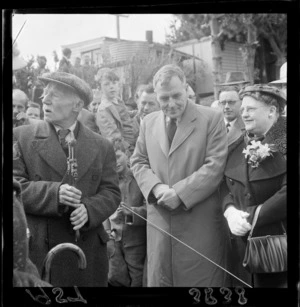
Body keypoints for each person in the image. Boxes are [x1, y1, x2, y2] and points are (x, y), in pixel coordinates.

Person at [13, 71, 121, 287]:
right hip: (41, 256)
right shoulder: (20, 136)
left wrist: (90, 210)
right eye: (45, 93)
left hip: (87, 255)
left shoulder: (102, 145)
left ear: (77, 105)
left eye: (55, 95)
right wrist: (54, 194)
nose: (45, 99)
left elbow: (112, 192)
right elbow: (15, 188)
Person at [130, 64, 230, 287]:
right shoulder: (148, 123)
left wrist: (180, 193)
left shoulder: (211, 119)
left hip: (199, 226)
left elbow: (214, 166)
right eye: (164, 98)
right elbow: (138, 161)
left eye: (176, 95)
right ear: (156, 96)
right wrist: (156, 188)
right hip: (160, 227)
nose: (171, 104)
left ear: (186, 88)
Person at [220, 84, 286, 288]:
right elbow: (224, 185)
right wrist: (230, 212)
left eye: (251, 109)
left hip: (278, 245)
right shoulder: (235, 146)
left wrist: (254, 215)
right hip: (242, 247)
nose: (244, 114)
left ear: (272, 111)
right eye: (243, 110)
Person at [104, 140, 146, 287]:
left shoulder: (140, 178)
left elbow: (152, 209)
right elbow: (101, 209)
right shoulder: (107, 182)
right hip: (113, 239)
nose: (115, 162)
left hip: (135, 240)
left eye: (118, 156)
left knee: (137, 276)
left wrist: (133, 212)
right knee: (115, 275)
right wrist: (107, 233)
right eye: (110, 159)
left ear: (127, 155)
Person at [96, 69, 138, 157]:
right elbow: (113, 137)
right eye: (107, 84)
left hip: (133, 142)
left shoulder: (117, 101)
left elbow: (124, 115)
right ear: (100, 88)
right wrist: (130, 150)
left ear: (119, 85)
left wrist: (138, 112)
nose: (111, 87)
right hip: (124, 149)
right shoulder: (104, 109)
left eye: (114, 83)